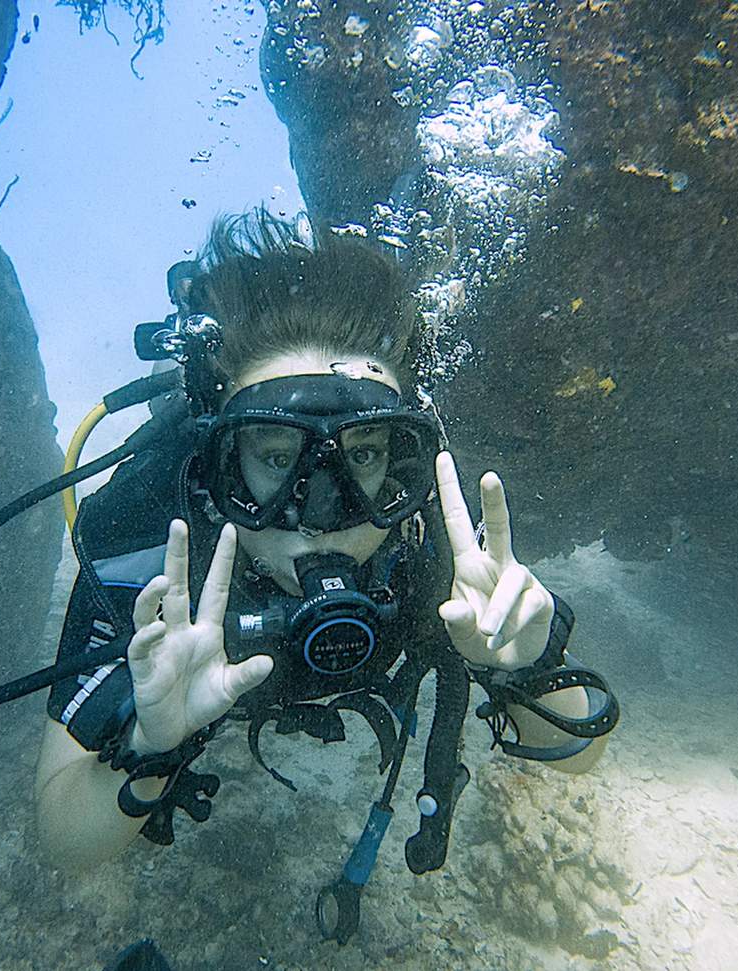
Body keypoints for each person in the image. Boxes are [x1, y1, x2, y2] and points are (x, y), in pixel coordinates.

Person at [33, 210, 616, 909]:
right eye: (276, 457)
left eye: (363, 454)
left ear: (399, 458)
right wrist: (150, 745)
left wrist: (525, 662)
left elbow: (581, 753)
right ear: (219, 467)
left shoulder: (437, 538)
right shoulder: (148, 549)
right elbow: (64, 838)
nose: (319, 516)